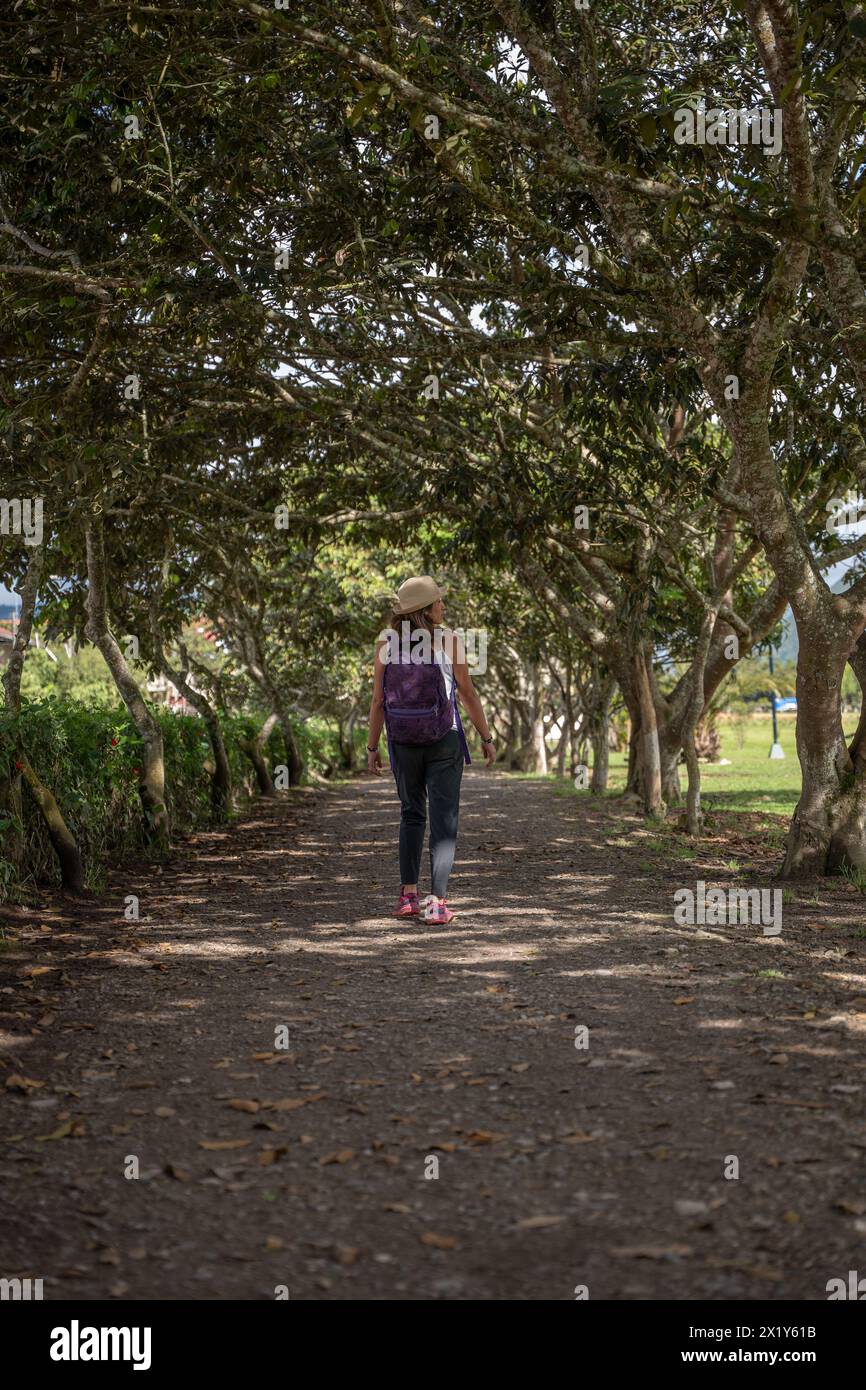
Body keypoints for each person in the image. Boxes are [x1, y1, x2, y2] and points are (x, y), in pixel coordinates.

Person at [366, 576, 496, 925]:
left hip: (403, 740)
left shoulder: (386, 642)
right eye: (438, 601)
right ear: (424, 610)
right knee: (444, 820)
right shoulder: (449, 640)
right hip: (445, 739)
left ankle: (408, 896)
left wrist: (372, 745)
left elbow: (378, 700)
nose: (443, 606)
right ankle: (437, 902)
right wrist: (486, 737)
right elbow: (466, 693)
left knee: (410, 814)